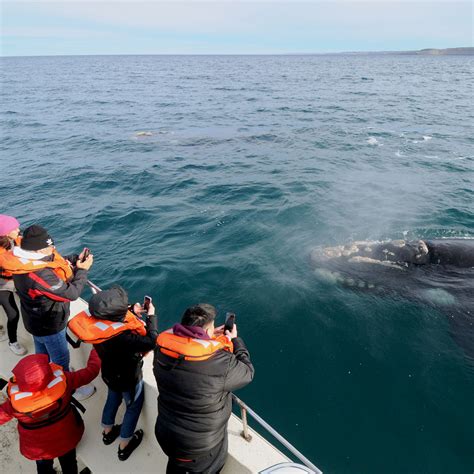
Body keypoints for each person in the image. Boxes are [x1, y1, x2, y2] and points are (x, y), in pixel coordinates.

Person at [153, 304, 254, 474]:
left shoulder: (161, 348)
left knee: (176, 466)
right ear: (207, 331)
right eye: (212, 327)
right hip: (199, 448)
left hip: (165, 433)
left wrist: (206, 337)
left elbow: (186, 350)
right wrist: (236, 341)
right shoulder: (222, 364)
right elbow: (247, 372)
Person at [3, 224, 95, 400]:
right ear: (36, 250)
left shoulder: (21, 259)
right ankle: (69, 390)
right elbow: (72, 293)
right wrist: (82, 270)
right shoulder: (37, 274)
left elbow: (52, 261)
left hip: (34, 320)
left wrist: (74, 260)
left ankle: (43, 377)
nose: (52, 248)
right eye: (48, 246)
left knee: (42, 354)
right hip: (49, 324)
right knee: (60, 359)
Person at [69, 285, 158, 461]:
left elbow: (110, 320)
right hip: (127, 378)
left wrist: (132, 309)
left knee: (113, 398)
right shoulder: (123, 337)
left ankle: (108, 431)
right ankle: (125, 444)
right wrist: (152, 316)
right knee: (132, 406)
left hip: (108, 373)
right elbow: (151, 341)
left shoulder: (96, 328)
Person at [0, 347, 101, 474]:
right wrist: (96, 349)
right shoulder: (65, 381)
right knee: (69, 463)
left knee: (43, 467)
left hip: (38, 448)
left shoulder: (14, 405)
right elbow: (91, 372)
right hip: (66, 439)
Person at [0, 214, 27, 355]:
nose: (18, 230)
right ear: (5, 233)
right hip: (1, 285)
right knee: (13, 314)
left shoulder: (16, 239)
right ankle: (13, 342)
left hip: (17, 280)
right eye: (14, 228)